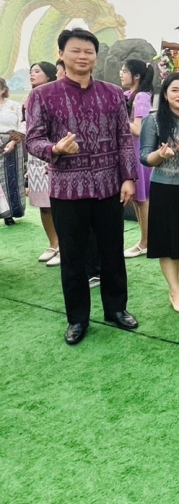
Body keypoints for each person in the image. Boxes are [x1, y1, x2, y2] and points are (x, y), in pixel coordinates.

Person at [24, 27, 138, 345]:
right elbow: (33, 139)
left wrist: (128, 177)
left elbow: (123, 138)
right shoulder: (42, 96)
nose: (83, 56)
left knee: (112, 251)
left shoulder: (112, 94)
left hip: (108, 186)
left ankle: (116, 309)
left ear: (95, 57)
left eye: (89, 51)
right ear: (61, 54)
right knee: (73, 257)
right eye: (75, 50)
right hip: (67, 189)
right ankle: (77, 319)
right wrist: (55, 149)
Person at [140, 72, 179, 313]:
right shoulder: (153, 120)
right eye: (174, 90)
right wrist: (160, 155)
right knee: (167, 241)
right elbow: (144, 156)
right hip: (165, 188)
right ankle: (175, 290)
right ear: (165, 95)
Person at [26, 62, 60, 263]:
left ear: (49, 75)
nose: (32, 74)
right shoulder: (29, 97)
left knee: (58, 204)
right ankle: (53, 243)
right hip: (35, 157)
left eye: (37, 71)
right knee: (43, 205)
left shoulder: (54, 96)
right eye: (31, 71)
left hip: (55, 152)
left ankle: (64, 245)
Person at [120, 59, 154, 258]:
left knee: (143, 199)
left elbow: (138, 129)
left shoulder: (141, 97)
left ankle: (145, 242)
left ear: (137, 76)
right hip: (130, 152)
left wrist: (120, 117)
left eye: (125, 71)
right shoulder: (128, 95)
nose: (121, 74)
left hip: (139, 151)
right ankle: (145, 240)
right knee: (138, 199)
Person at [0, 77, 25, 224]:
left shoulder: (14, 106)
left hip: (12, 143)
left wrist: (13, 142)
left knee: (11, 178)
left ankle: (10, 213)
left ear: (3, 90)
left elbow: (23, 124)